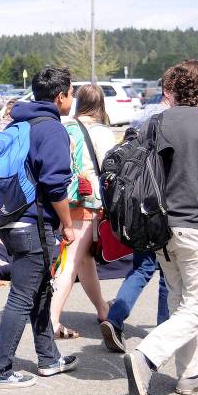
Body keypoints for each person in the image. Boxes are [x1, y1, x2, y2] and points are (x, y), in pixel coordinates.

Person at [124, 59, 198, 395]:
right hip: (195, 225)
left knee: (180, 303)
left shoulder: (154, 122)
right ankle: (147, 356)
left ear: (173, 87)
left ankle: (190, 375)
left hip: (159, 227)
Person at [0, 67, 79, 390]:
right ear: (59, 97)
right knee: (23, 296)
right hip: (33, 226)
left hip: (12, 221)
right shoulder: (51, 130)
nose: (72, 98)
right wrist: (67, 225)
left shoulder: (20, 123)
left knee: (41, 291)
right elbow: (55, 186)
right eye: (70, 92)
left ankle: (49, 358)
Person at [101, 71, 173, 353]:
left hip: (135, 206)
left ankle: (116, 317)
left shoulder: (142, 116)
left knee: (142, 267)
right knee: (168, 273)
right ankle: (164, 332)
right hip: (161, 207)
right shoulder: (169, 121)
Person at [50, 83, 116, 339]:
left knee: (84, 260)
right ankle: (52, 321)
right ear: (100, 104)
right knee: (71, 262)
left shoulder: (64, 128)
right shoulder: (102, 133)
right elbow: (111, 169)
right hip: (89, 203)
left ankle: (102, 308)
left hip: (64, 201)